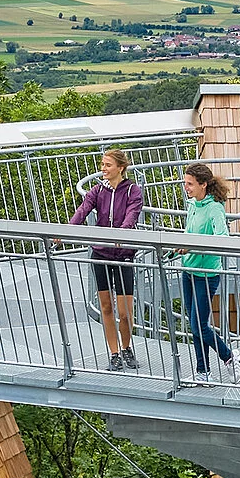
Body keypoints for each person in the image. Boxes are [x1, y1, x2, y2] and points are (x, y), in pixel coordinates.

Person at [70, 148, 144, 369]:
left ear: (120, 168)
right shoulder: (98, 190)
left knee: (124, 310)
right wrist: (67, 231)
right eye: (102, 164)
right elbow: (83, 210)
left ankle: (126, 347)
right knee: (106, 307)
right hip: (101, 253)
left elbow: (132, 215)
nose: (103, 169)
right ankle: (113, 352)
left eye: (107, 165)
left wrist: (121, 234)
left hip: (123, 255)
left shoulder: (133, 191)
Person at [179, 161, 237, 383]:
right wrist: (184, 245)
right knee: (196, 325)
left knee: (198, 325)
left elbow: (222, 240)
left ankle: (229, 357)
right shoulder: (193, 205)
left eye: (190, 184)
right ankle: (203, 371)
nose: (187, 188)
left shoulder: (215, 208)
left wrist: (192, 246)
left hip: (207, 274)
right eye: (185, 183)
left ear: (203, 185)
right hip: (188, 270)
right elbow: (190, 234)